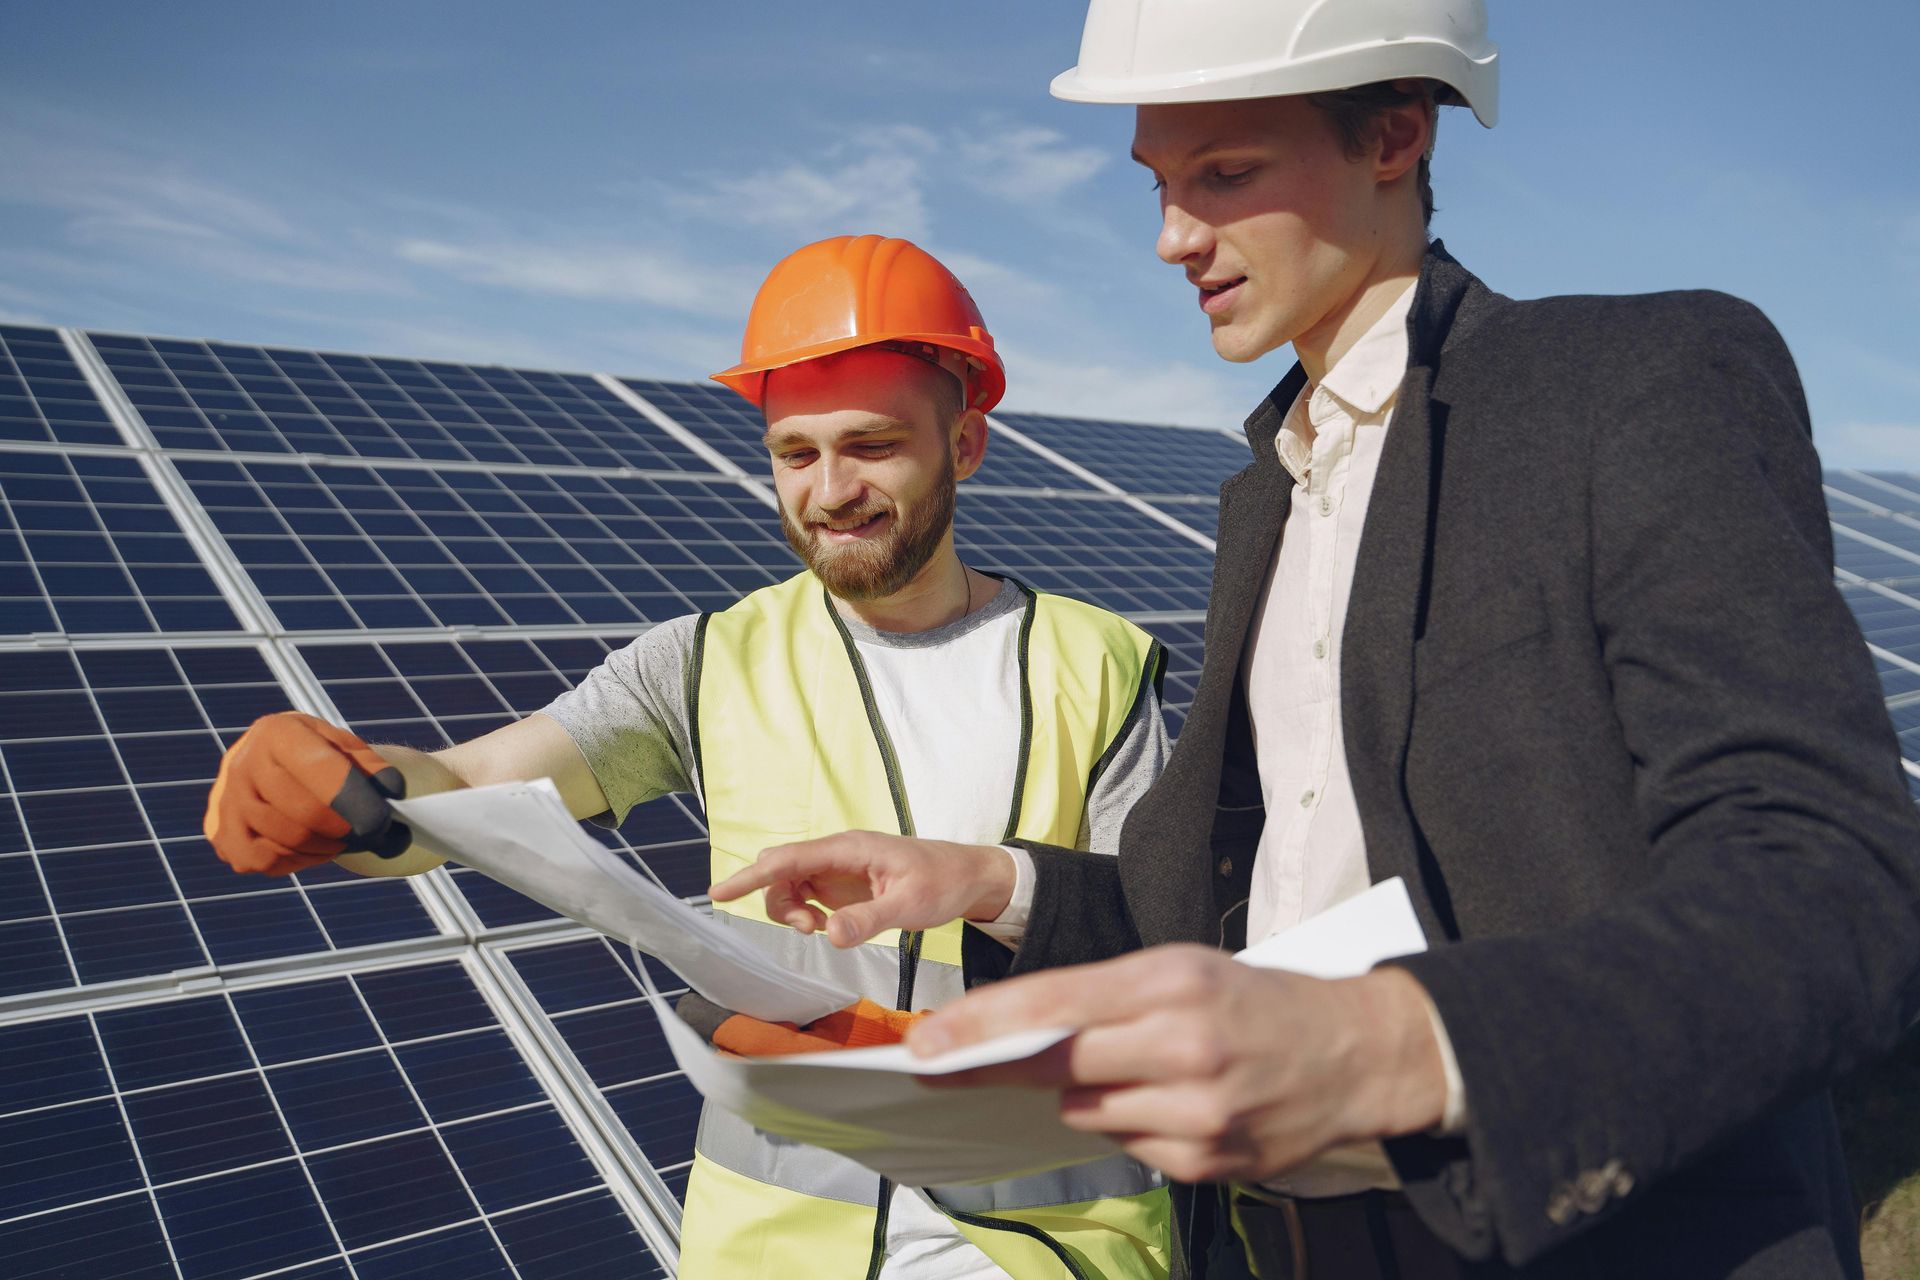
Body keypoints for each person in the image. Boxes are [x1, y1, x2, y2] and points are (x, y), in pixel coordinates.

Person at [706, 5, 1920, 1278]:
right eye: (1162, 186)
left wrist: (1397, 1043)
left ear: (1394, 132)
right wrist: (980, 881)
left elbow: (1829, 875)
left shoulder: (1629, 382)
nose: (1174, 236)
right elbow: (1254, 930)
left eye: (1224, 175)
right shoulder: (1268, 493)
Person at [203, 235, 1176, 1280]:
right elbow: (472, 790)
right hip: (767, 1251)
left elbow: (1168, 950)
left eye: (873, 444)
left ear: (967, 444)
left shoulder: (1099, 663)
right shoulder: (706, 660)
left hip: (1045, 1249)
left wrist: (947, 1052)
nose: (830, 488)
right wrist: (348, 788)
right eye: (795, 453)